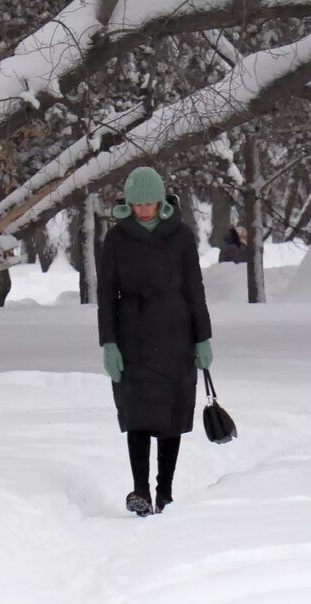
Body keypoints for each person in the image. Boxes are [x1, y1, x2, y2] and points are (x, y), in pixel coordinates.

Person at [97, 166, 214, 517]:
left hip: (176, 334)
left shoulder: (180, 235)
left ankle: (165, 492)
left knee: (169, 418)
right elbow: (105, 294)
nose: (144, 209)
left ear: (161, 200)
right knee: (138, 418)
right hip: (133, 338)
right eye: (138, 204)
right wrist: (109, 343)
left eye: (150, 203)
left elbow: (195, 289)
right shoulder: (116, 238)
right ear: (129, 203)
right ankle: (141, 491)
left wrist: (203, 338)